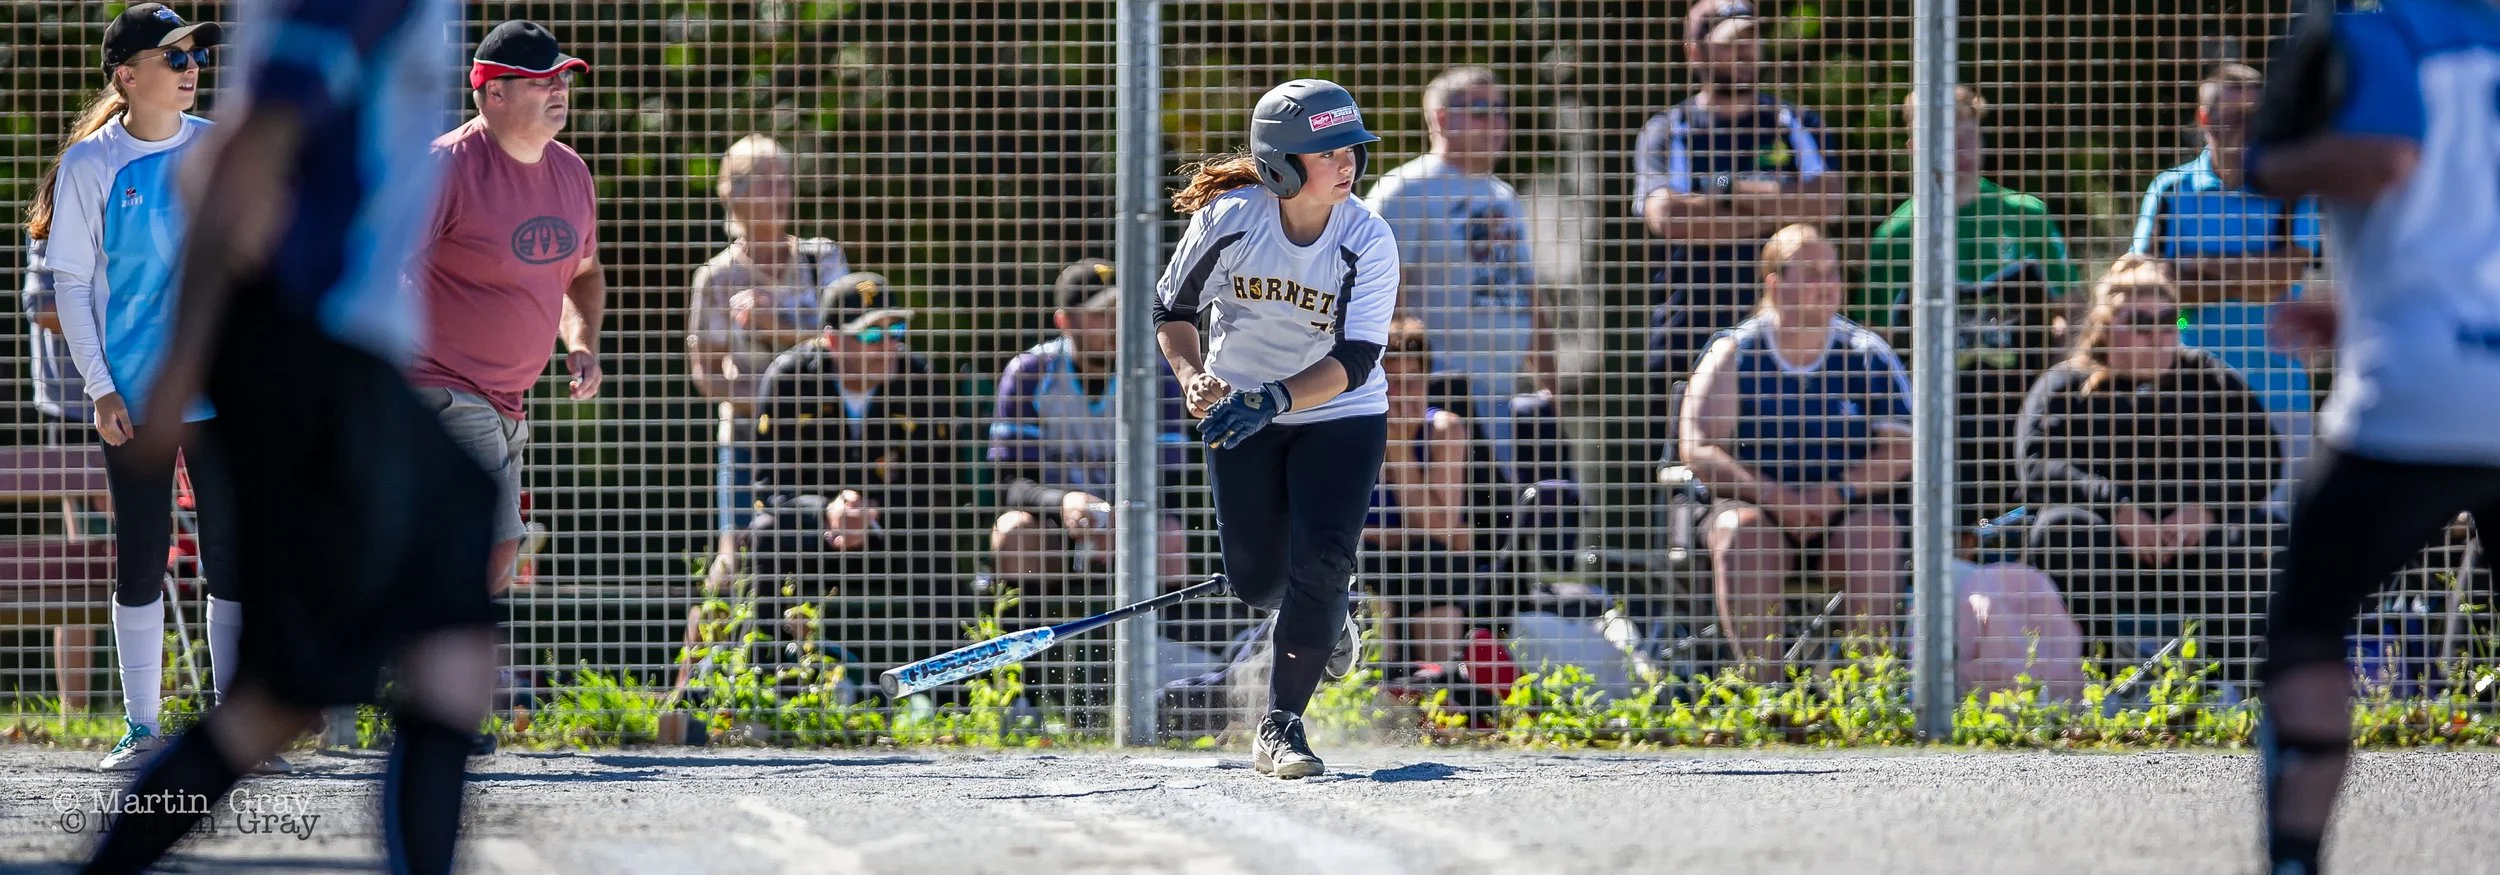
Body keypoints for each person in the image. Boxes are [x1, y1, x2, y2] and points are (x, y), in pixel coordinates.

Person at [79, 0, 495, 872]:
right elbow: (241, 152)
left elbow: (217, 158)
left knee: (288, 696)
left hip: (332, 351)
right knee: (307, 678)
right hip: (307, 345)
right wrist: (187, 361)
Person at [2238, 2, 2500, 872]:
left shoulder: (2384, 31)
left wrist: (2268, 161)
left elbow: (2386, 155)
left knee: (2308, 628)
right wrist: (2359, 311)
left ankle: (2295, 856)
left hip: (2420, 393)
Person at [24, 3, 258, 773]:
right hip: (136, 397)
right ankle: (142, 729)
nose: (193, 68)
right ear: (128, 77)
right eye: (174, 57)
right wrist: (101, 389)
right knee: (140, 555)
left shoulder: (219, 146)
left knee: (233, 556)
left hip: (223, 394)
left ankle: (233, 734)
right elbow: (73, 286)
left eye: (194, 55)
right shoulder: (91, 163)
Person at [1152, 78, 1395, 779]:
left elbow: (1355, 358)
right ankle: (1329, 608)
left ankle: (1282, 723)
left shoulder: (1367, 237)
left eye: (1351, 147)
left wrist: (1275, 399)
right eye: (1327, 151)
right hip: (1243, 407)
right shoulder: (1232, 216)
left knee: (1318, 559)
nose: (1347, 161)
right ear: (1282, 165)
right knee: (1258, 583)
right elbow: (1173, 310)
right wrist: (1192, 376)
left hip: (1340, 414)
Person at [407, 19, 602, 750]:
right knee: (491, 543)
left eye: (564, 77)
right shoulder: (445, 169)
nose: (560, 90)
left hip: (509, 399)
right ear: (489, 92)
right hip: (436, 384)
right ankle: (447, 709)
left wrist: (580, 343)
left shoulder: (571, 173)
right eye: (541, 80)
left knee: (486, 555)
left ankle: (412, 669)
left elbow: (580, 274)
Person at [680, 272, 965, 688]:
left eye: (896, 329)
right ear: (832, 340)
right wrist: (827, 512)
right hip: (813, 534)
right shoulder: (790, 377)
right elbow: (767, 490)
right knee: (764, 535)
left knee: (938, 545)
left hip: (892, 531)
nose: (889, 346)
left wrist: (872, 512)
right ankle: (765, 686)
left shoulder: (921, 382)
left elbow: (941, 488)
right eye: (871, 335)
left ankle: (950, 699)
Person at [2015, 256, 2283, 677]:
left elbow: (2264, 456)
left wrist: (2206, 508)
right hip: (2108, 546)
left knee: (2266, 531)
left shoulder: (2209, 378)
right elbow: (2036, 464)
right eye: (2140, 323)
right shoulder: (2067, 385)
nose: (2157, 336)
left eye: (2168, 322)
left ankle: (2235, 691)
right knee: (2060, 530)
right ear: (2105, 328)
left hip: (2196, 546)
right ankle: (2086, 683)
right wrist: (2117, 508)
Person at [1678, 225, 1913, 683]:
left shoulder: (1866, 354)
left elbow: (1903, 448)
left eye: (1832, 272)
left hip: (1840, 512)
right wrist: (1773, 497)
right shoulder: (1734, 351)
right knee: (1741, 534)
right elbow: (1697, 447)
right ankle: (1767, 697)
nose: (1826, 284)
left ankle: (1869, 696)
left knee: (1877, 536)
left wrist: (1837, 492)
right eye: (1810, 273)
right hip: (1753, 509)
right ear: (1774, 283)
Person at [1859, 85, 2081, 532]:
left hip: (2023, 419)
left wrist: (2065, 381)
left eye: (1969, 135)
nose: (1961, 150)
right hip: (1935, 431)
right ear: (1914, 146)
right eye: (1945, 138)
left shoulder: (2025, 215)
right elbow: (1872, 345)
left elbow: (2075, 309)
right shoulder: (1895, 238)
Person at [1632, 0, 1845, 456]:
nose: (1748, 53)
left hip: (1787, 335)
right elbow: (1668, 217)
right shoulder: (1669, 130)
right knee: (1688, 476)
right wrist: (1779, 207)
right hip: (1689, 329)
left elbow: (1828, 202)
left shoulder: (1795, 124)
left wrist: (1722, 192)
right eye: (1732, 44)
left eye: (1752, 40)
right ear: (1696, 53)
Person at [2129, 63, 2326, 499]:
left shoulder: (2291, 190)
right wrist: (2250, 274)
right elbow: (2149, 288)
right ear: (2204, 120)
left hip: (2278, 392)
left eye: (2254, 116)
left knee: (2280, 535)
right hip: (2187, 394)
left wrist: (2200, 266)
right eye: (2231, 116)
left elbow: (2282, 277)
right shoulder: (2169, 190)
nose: (2244, 128)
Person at [1362, 66, 1553, 470]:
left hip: (1506, 391)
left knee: (1538, 511)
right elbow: (1384, 296)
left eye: (1502, 111)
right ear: (1442, 118)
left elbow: (1527, 291)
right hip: (1442, 392)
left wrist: (1549, 384)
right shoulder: (1405, 190)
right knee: (1465, 521)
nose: (1497, 123)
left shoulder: (1504, 195)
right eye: (1482, 111)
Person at [684, 134, 850, 588]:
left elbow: (853, 343)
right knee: (733, 561)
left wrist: (776, 326)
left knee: (817, 552)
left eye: (783, 182)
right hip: (745, 437)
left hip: (822, 428)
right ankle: (702, 661)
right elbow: (707, 374)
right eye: (764, 183)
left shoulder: (823, 260)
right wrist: (770, 402)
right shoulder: (716, 278)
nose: (780, 194)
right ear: (732, 193)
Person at [1362, 317, 1478, 674]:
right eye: (1391, 382)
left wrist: (1396, 446)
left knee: (1431, 563)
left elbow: (1440, 531)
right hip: (1367, 568)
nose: (1400, 394)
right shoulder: (1354, 429)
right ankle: (1382, 687)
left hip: (1428, 570)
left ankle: (1437, 688)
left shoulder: (1444, 429)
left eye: (1411, 381)